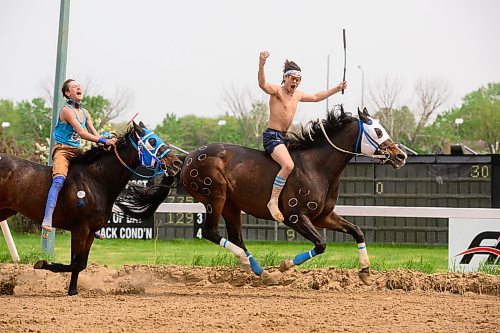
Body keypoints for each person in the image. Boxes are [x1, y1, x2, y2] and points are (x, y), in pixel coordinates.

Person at [258, 51, 347, 223]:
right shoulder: (277, 91)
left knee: (300, 165)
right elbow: (262, 84)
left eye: (298, 80)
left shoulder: (297, 95)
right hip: (272, 137)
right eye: (292, 78)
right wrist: (262, 64)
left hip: (284, 138)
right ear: (285, 78)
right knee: (289, 165)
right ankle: (273, 201)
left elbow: (316, 97)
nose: (295, 82)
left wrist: (337, 88)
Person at [41, 79, 117, 239]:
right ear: (67, 93)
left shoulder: (85, 112)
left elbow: (94, 134)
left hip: (77, 151)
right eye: (74, 87)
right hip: (63, 151)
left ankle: (90, 223)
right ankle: (47, 218)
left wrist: (105, 141)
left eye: (79, 86)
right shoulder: (67, 111)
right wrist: (103, 141)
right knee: (59, 180)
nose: (79, 88)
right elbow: (82, 133)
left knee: (91, 180)